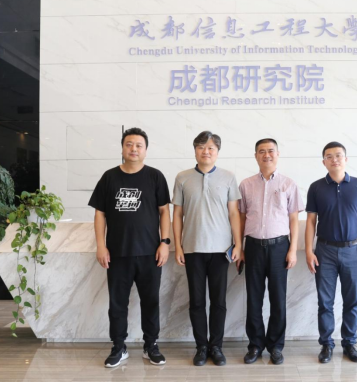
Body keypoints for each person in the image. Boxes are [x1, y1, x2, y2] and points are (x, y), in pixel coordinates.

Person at [89, 128, 171, 368]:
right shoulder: (109, 177)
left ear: (146, 150)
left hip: (150, 253)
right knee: (117, 303)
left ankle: (151, 345)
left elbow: (164, 211)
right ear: (122, 148)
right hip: (117, 253)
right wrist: (101, 246)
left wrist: (165, 242)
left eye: (138, 145)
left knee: (151, 301)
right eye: (129, 144)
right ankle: (118, 346)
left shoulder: (155, 176)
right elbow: (100, 213)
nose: (134, 149)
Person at [173, 131, 242, 367]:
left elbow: (234, 213)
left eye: (211, 147)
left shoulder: (228, 177)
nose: (206, 151)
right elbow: (177, 214)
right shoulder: (182, 178)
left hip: (221, 250)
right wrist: (178, 246)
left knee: (219, 301)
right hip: (192, 249)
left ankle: (216, 347)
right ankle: (201, 347)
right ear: (195, 150)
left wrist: (238, 244)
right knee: (196, 302)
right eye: (201, 147)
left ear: (217, 152)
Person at [305, 142, 357, 364]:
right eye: (329, 156)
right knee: (325, 302)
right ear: (323, 162)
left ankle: (349, 343)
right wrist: (308, 251)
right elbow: (310, 221)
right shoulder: (316, 187)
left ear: (346, 159)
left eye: (338, 155)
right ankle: (326, 344)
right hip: (324, 251)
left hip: (352, 250)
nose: (334, 159)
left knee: (351, 300)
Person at [238, 138, 304, 365]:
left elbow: (293, 219)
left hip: (279, 248)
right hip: (253, 247)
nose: (266, 155)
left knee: (278, 299)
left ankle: (276, 346)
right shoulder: (245, 185)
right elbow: (241, 218)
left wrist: (292, 249)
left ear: (277, 154)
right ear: (256, 156)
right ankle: (255, 345)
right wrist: (240, 247)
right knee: (253, 299)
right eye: (261, 151)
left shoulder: (288, 184)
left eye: (271, 151)